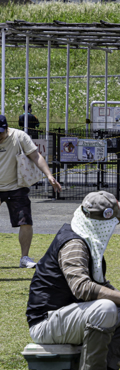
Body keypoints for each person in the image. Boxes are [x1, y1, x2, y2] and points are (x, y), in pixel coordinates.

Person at [26, 191, 120, 370]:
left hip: (69, 315)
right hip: (46, 322)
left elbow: (100, 285)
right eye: (116, 218)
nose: (119, 223)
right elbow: (82, 288)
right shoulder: (74, 244)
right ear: (104, 221)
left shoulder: (86, 237)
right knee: (105, 308)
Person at [0, 114, 62, 268]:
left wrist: (49, 175)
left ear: (6, 128)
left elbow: (36, 156)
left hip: (17, 187)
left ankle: (25, 258)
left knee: (26, 222)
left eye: (0, 132)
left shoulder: (19, 136)